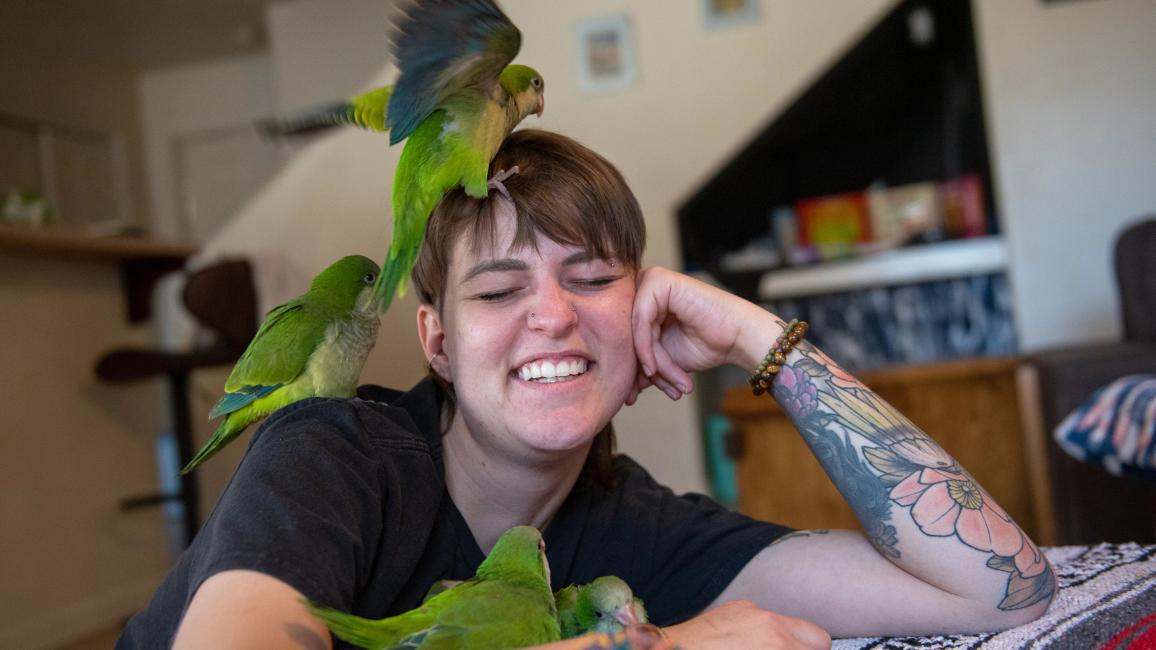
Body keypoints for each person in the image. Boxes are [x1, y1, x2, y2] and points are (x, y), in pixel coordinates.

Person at [119, 130, 1054, 649]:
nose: (554, 316)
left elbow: (1002, 592)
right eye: (498, 289)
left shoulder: (632, 526)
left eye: (596, 277)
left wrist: (760, 339)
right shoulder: (330, 455)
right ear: (435, 342)